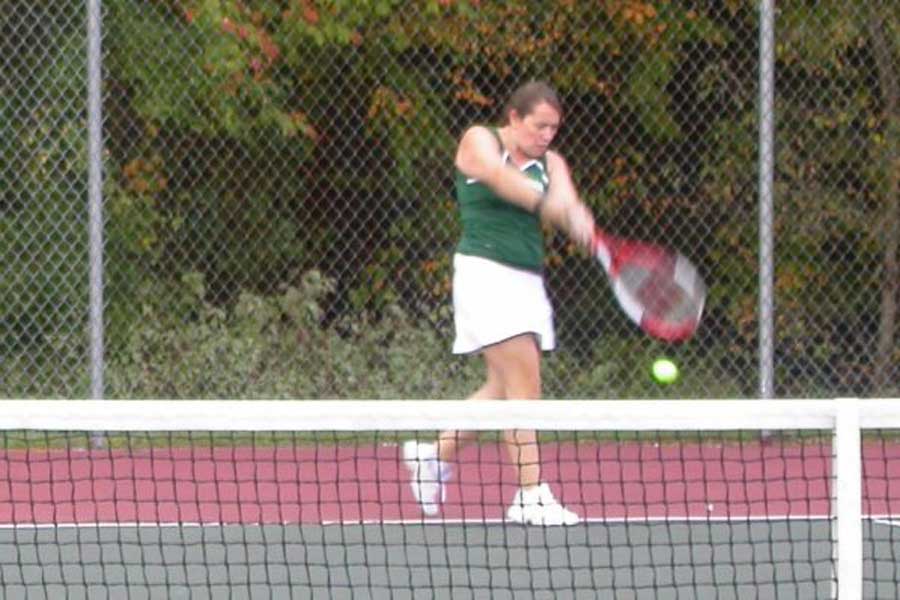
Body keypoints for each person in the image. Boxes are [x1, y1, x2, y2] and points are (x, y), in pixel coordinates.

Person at [403, 81, 595, 526]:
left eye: (554, 128)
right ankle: (529, 494)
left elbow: (565, 201)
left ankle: (432, 455)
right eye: (539, 125)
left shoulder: (553, 163)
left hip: (528, 281)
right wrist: (546, 204)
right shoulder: (480, 139)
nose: (547, 135)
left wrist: (576, 217)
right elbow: (496, 175)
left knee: (501, 388)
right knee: (525, 386)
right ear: (513, 117)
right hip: (485, 274)